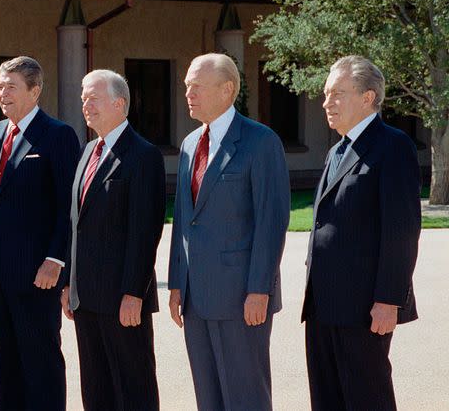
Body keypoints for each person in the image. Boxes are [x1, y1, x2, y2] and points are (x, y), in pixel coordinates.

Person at [167, 53, 290, 411]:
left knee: (245, 397)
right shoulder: (191, 144)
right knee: (209, 397)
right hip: (195, 298)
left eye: (196, 86)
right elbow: (183, 220)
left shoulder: (260, 142)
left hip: (241, 298)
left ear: (227, 89)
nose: (188, 92)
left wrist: (259, 290)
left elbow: (271, 223)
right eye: (187, 85)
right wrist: (177, 283)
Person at [302, 55, 421, 411]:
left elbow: (401, 231)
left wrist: (389, 300)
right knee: (327, 397)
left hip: (364, 306)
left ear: (368, 97)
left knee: (367, 398)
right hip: (323, 303)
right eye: (325, 95)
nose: (326, 103)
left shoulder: (392, 146)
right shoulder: (337, 150)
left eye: (337, 93)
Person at [0, 56, 79, 410]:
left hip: (38, 275)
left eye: (11, 86)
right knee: (7, 361)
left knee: (41, 361)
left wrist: (56, 260)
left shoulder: (58, 135)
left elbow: (68, 207)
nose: (2, 93)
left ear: (35, 90)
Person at [60, 69, 165, 411]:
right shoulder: (89, 150)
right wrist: (68, 284)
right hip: (85, 298)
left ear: (120, 104)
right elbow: (76, 223)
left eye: (93, 98)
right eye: (82, 98)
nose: (85, 105)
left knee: (133, 387)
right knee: (96, 389)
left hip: (123, 299)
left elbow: (145, 232)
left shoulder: (143, 155)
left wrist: (134, 292)